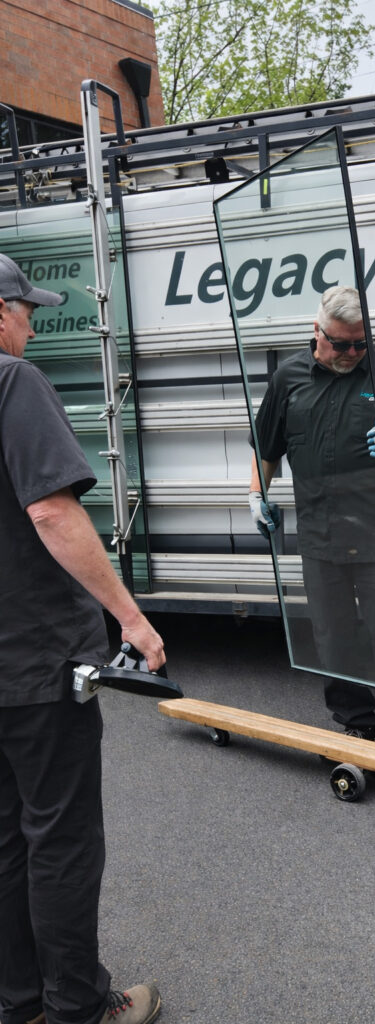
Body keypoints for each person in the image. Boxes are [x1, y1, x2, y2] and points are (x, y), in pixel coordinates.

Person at [0, 253, 164, 1024]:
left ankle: (19, 998)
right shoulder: (12, 382)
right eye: (27, 308)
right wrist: (129, 618)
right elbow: (52, 513)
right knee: (61, 836)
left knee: (6, 837)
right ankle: (78, 1006)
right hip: (34, 658)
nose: (33, 321)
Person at [249, 285, 375, 749]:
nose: (352, 352)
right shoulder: (288, 378)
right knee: (333, 636)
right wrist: (257, 493)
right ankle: (356, 721)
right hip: (320, 532)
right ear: (316, 331)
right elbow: (267, 447)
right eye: (341, 343)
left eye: (361, 342)